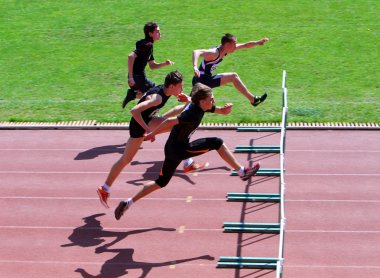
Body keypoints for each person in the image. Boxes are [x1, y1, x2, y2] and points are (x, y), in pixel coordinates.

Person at [114, 83, 261, 220]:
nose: (213, 100)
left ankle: (128, 202)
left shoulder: (198, 105)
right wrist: (152, 134)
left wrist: (224, 110)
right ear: (202, 102)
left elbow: (213, 108)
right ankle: (242, 172)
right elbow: (170, 121)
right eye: (211, 99)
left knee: (161, 182)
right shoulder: (191, 114)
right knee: (217, 142)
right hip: (180, 149)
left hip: (170, 149)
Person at [98, 70, 194, 208]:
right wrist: (149, 130)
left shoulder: (164, 90)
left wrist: (187, 100)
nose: (182, 89)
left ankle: (104, 189)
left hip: (146, 121)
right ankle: (186, 160)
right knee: (175, 126)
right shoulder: (158, 98)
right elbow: (134, 111)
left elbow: (146, 98)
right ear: (171, 87)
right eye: (180, 86)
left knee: (126, 159)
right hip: (140, 125)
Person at [192, 33, 269, 107]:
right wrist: (195, 66)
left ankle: (253, 100)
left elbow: (245, 45)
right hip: (201, 80)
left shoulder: (224, 50)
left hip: (205, 80)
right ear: (227, 45)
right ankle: (253, 100)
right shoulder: (214, 53)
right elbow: (196, 52)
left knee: (193, 105)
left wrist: (257, 42)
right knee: (233, 76)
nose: (236, 46)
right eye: (234, 44)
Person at [122, 22, 174, 108]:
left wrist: (165, 64)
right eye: (157, 31)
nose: (159, 33)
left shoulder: (148, 45)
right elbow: (131, 56)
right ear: (150, 34)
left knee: (152, 94)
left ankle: (133, 95)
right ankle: (146, 114)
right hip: (137, 77)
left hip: (139, 76)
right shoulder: (147, 45)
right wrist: (130, 77)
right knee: (156, 93)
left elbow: (152, 65)